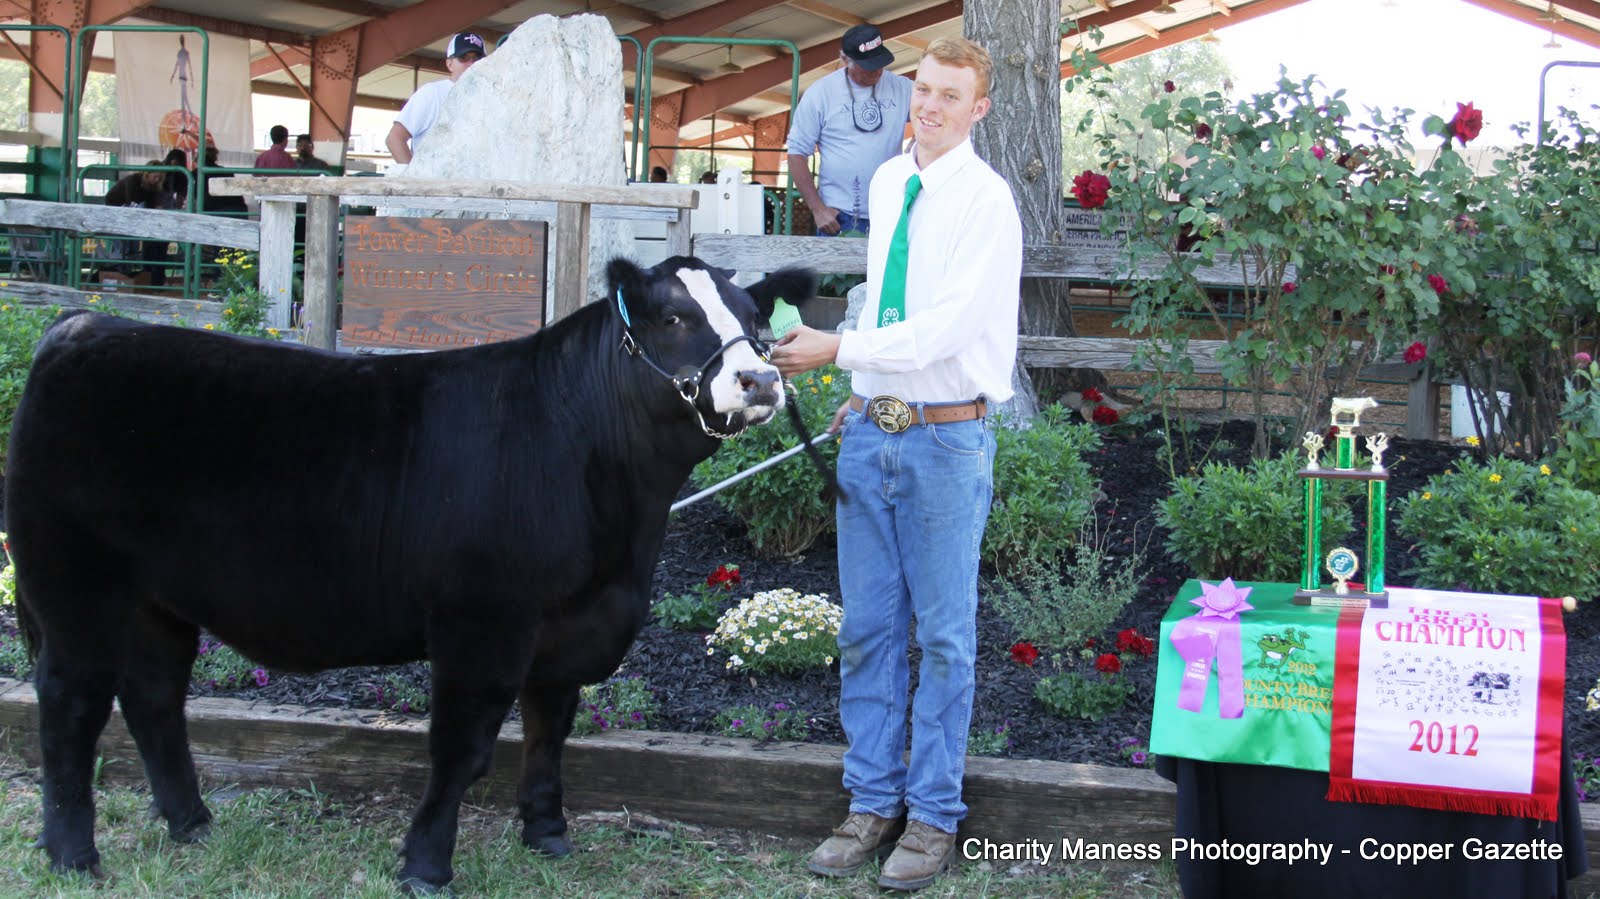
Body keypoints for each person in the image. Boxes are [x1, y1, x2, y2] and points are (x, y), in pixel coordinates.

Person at [769, 37, 1021, 892]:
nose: (932, 108)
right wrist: (862, 381)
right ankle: (870, 802)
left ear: (980, 108)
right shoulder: (887, 181)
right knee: (866, 628)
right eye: (925, 93)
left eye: (952, 97)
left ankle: (934, 816)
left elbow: (945, 329)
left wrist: (840, 348)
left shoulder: (988, 203)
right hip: (874, 430)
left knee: (944, 636)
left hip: (948, 439)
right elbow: (885, 294)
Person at [785, 24, 913, 236]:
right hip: (839, 217)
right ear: (845, 59)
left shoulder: (903, 87)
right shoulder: (820, 93)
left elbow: (935, 114)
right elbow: (796, 152)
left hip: (890, 212)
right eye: (867, 66)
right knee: (835, 271)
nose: (876, 71)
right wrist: (818, 209)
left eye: (879, 63)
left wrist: (915, 147)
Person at [386, 32, 486, 165]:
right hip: (435, 183)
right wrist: (414, 181)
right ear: (450, 64)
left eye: (477, 58)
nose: (471, 64)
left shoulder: (490, 98)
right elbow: (394, 139)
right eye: (463, 58)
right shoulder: (432, 93)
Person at [103, 160, 182, 285]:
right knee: (122, 248)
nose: (156, 180)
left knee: (130, 249)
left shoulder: (151, 187)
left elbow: (147, 204)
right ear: (147, 174)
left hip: (129, 216)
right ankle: (120, 275)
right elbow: (132, 201)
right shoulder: (133, 181)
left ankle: (126, 277)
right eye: (155, 176)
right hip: (117, 212)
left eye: (159, 178)